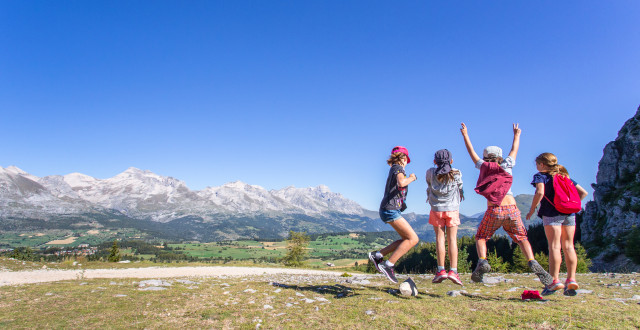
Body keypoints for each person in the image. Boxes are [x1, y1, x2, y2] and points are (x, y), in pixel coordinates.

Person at [460, 123, 553, 286]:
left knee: (481, 237)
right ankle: (532, 261)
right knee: (522, 238)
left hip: (494, 209)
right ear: (500, 156)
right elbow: (514, 150)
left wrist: (465, 134)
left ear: (485, 156)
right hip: (512, 209)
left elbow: (471, 152)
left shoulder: (483, 167)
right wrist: (517, 135)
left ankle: (482, 261)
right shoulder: (507, 165)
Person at [526, 152, 588, 296]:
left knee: (554, 246)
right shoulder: (565, 176)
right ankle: (571, 279)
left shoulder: (540, 176)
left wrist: (532, 209)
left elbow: (540, 192)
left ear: (542, 164)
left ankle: (554, 281)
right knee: (569, 246)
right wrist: (570, 205)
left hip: (552, 214)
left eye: (537, 164)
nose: (536, 167)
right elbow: (583, 193)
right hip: (570, 214)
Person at [368, 146, 420, 283]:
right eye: (407, 160)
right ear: (403, 158)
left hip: (388, 209)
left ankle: (378, 255)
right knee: (413, 239)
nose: (407, 162)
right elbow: (401, 183)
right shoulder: (398, 168)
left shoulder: (394, 168)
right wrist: (412, 178)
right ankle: (388, 264)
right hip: (390, 209)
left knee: (405, 240)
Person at [426, 149, 464, 285]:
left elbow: (429, 184)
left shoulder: (430, 172)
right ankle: (453, 271)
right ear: (451, 161)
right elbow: (460, 188)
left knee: (440, 239)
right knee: (452, 239)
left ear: (435, 161)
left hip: (436, 209)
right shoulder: (457, 173)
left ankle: (441, 270)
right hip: (453, 209)